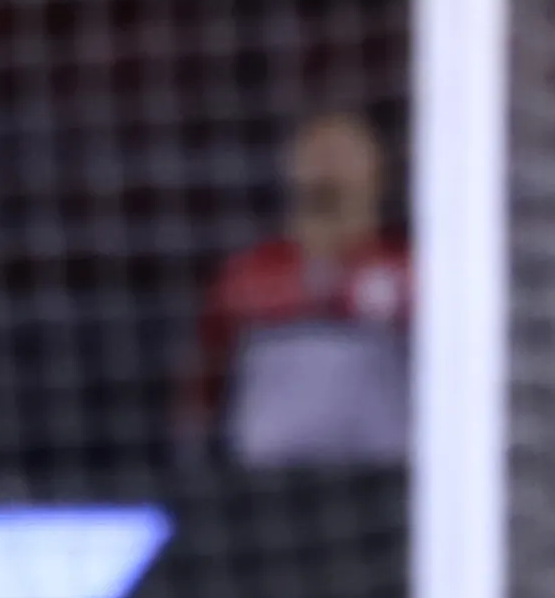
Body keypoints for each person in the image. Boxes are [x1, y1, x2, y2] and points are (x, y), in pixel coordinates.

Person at [176, 111, 412, 467]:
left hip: (382, 473)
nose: (329, 163)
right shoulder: (247, 274)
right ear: (290, 168)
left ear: (377, 170)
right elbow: (204, 382)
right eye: (317, 149)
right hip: (272, 482)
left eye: (344, 150)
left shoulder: (410, 270)